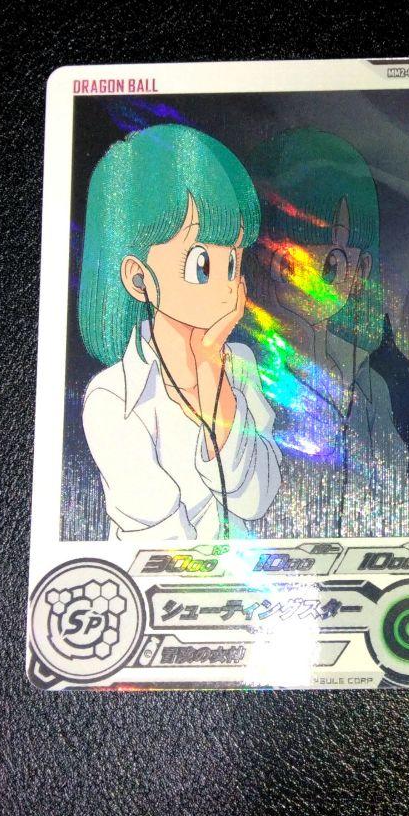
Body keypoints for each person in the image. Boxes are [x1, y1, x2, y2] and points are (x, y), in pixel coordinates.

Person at [78, 124, 281, 541]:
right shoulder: (111, 398)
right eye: (202, 265)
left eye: (233, 264)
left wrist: (211, 370)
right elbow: (159, 541)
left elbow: (257, 498)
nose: (227, 286)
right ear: (139, 278)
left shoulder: (238, 366)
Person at [244, 128, 409, 538]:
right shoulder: (239, 372)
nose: (294, 271)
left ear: (359, 272)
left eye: (331, 263)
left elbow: (396, 491)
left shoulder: (368, 387)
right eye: (279, 253)